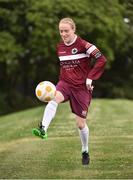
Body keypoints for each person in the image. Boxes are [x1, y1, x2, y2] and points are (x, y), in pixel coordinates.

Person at [32, 17, 107, 165]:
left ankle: (85, 150)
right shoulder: (60, 47)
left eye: (66, 31)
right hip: (65, 84)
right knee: (53, 98)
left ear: (73, 30)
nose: (64, 34)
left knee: (80, 124)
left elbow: (102, 59)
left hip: (81, 88)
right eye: (61, 31)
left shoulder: (85, 45)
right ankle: (43, 129)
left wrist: (90, 78)